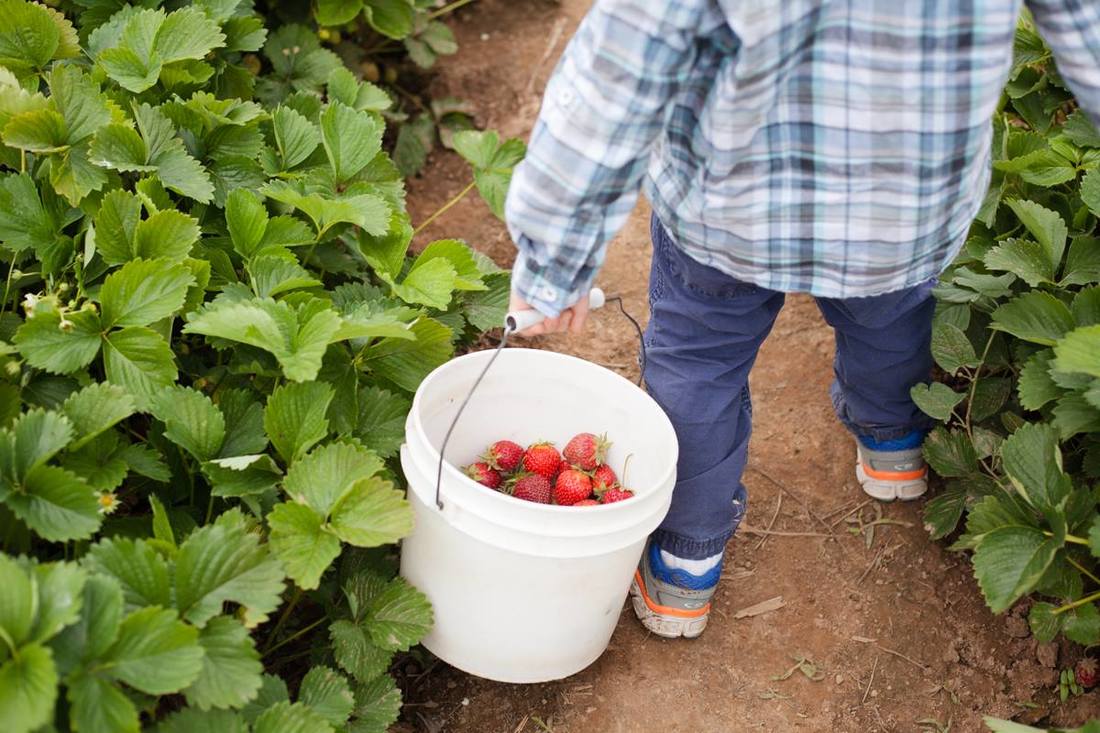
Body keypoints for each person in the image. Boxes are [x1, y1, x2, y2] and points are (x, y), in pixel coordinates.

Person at [503, 0, 1100, 639]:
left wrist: (555, 264)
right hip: (902, 214)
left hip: (727, 212)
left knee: (699, 361)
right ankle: (893, 445)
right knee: (890, 322)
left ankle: (685, 561)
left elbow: (617, 76)